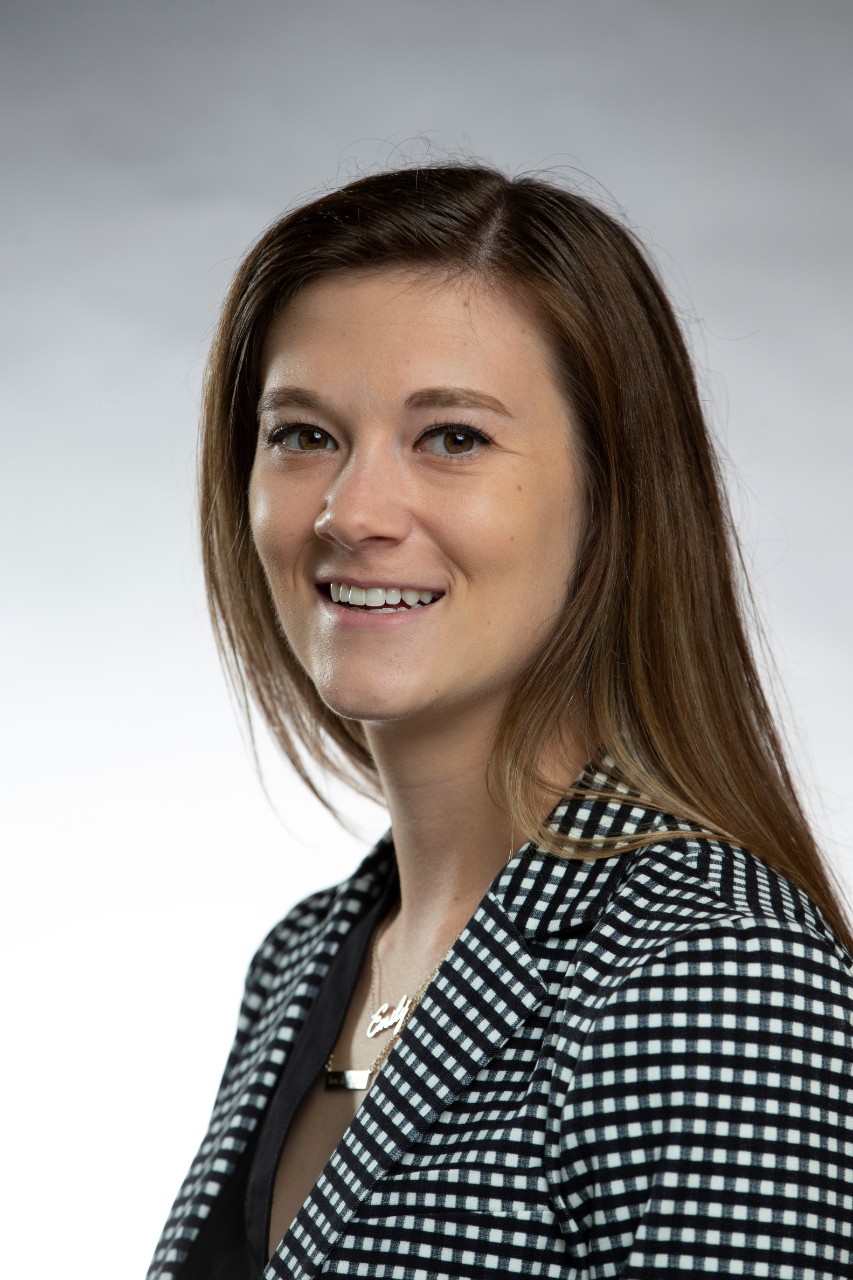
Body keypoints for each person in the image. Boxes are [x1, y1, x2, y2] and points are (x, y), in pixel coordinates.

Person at [148, 164, 853, 1279]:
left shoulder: (713, 970)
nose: (351, 512)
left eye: (453, 438)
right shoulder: (304, 959)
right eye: (302, 434)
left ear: (610, 499)